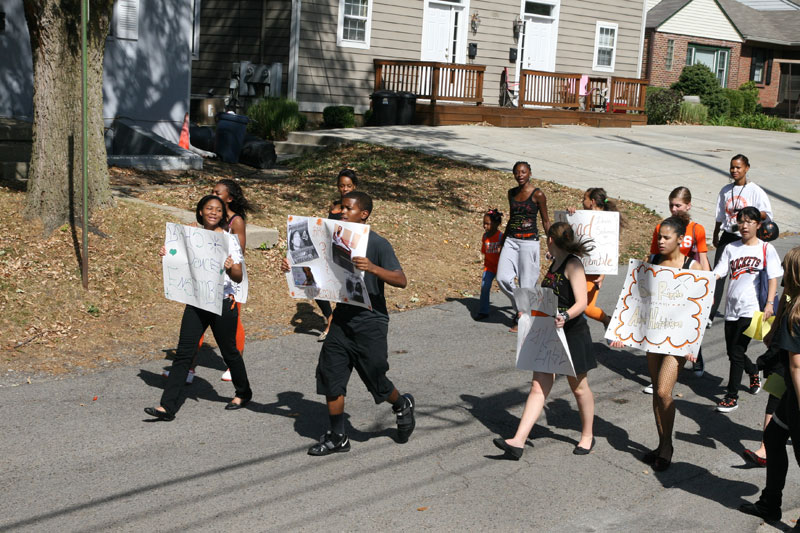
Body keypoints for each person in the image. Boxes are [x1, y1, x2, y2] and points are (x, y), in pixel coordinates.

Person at [281, 191, 415, 455]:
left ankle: (401, 404)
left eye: (348, 208)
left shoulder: (377, 244)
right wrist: (293, 267)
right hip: (342, 320)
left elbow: (401, 280)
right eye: (341, 208)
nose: (342, 212)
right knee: (331, 376)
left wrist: (372, 268)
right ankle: (338, 436)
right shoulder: (331, 240)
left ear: (363, 214)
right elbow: (318, 277)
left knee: (376, 378)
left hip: (370, 321)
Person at [492, 222, 596, 459]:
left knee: (579, 388)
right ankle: (517, 441)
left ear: (550, 240)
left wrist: (565, 316)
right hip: (549, 332)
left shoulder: (573, 264)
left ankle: (588, 436)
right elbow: (547, 297)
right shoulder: (555, 262)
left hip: (572, 334)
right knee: (538, 386)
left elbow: (582, 302)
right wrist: (528, 312)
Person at [145, 195, 252, 421]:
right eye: (209, 208)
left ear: (222, 215)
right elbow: (179, 262)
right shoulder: (190, 236)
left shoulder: (229, 240)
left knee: (229, 351)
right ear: (201, 211)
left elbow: (238, 276)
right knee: (184, 353)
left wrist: (231, 267)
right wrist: (167, 254)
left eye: (218, 210)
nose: (213, 212)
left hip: (223, 302)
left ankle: (243, 393)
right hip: (196, 301)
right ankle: (167, 407)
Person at [636, 215, 704, 471]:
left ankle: (667, 447)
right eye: (659, 237)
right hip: (654, 336)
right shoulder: (653, 261)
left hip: (678, 340)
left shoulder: (693, 266)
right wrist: (624, 330)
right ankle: (662, 444)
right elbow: (638, 298)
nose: (661, 241)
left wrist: (693, 345)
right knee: (656, 391)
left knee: (664, 391)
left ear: (680, 239)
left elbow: (700, 309)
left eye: (666, 237)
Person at [738, 246, 800, 524]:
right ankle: (770, 503)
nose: (782, 275)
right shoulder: (791, 304)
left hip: (797, 395)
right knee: (774, 439)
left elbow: (797, 366)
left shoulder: (796, 315)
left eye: (786, 270)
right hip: (789, 393)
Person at [713, 206, 782, 413]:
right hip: (731, 308)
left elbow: (773, 278)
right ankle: (752, 371)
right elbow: (719, 272)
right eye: (741, 221)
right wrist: (701, 279)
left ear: (758, 225)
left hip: (751, 309)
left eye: (749, 222)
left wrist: (769, 304)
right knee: (732, 351)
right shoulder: (731, 248)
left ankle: (731, 396)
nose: (744, 225)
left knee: (736, 351)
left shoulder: (765, 249)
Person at [641, 186, 710, 393]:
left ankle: (694, 352)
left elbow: (703, 258)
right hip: (664, 283)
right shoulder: (662, 228)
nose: (674, 209)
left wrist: (708, 287)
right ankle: (659, 378)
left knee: (684, 321)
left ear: (688, 206)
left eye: (678, 205)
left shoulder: (696, 229)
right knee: (664, 326)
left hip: (686, 280)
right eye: (671, 205)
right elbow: (652, 258)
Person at [709, 154, 773, 325]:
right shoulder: (725, 190)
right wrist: (715, 233)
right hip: (728, 235)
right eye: (732, 167)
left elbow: (767, 214)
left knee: (743, 276)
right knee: (718, 275)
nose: (734, 170)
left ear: (746, 168)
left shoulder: (755, 190)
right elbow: (720, 215)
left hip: (745, 237)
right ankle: (709, 314)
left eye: (738, 167)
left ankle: (749, 313)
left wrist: (751, 213)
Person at [497, 161, 551, 332]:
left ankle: (523, 316)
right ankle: (524, 308)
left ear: (530, 174)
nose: (520, 175)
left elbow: (546, 220)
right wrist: (503, 241)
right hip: (511, 240)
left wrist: (551, 244)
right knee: (502, 278)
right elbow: (512, 218)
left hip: (529, 242)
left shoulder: (538, 194)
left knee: (526, 284)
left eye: (523, 172)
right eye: (517, 172)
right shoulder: (511, 193)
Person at [566, 187, 624, 330]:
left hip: (594, 268)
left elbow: (609, 250)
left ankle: (608, 321)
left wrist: (602, 274)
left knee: (587, 307)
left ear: (592, 201)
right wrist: (571, 215)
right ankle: (579, 333)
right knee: (574, 301)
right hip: (578, 266)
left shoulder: (607, 222)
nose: (581, 201)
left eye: (584, 199)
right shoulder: (581, 217)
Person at [317, 169, 358, 341]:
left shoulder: (357, 207)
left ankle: (341, 326)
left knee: (345, 290)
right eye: (342, 186)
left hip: (347, 252)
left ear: (354, 186)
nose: (345, 189)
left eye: (348, 186)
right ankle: (330, 317)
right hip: (329, 249)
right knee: (316, 283)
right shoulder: (334, 206)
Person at [475, 208, 503, 320]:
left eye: (487, 224)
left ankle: (519, 308)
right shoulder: (485, 237)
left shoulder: (501, 237)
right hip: (489, 267)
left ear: (496, 224)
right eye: (484, 223)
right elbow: (484, 251)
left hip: (501, 267)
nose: (484, 226)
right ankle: (483, 311)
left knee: (507, 288)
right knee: (485, 287)